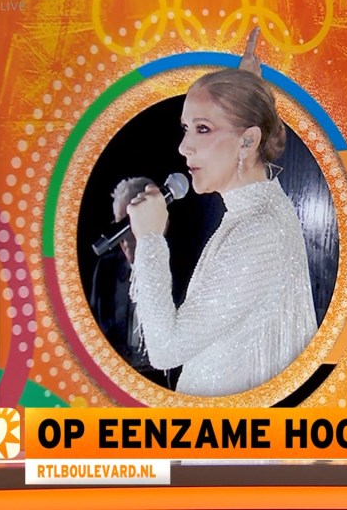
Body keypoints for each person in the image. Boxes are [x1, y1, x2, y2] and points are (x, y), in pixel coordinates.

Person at [127, 64, 318, 397]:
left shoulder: (259, 231)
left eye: (202, 129)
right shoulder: (259, 211)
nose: (184, 147)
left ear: (248, 140)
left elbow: (165, 350)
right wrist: (246, 91)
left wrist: (150, 240)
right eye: (186, 128)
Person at [90, 176, 155, 367]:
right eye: (119, 227)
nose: (124, 239)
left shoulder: (184, 267)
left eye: (130, 225)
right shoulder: (106, 269)